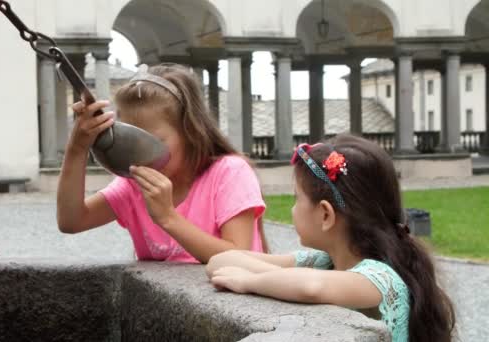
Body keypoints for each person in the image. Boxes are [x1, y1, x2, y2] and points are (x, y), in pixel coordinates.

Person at [206, 134, 455, 342]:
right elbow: (222, 260)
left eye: (297, 199)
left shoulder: (381, 278)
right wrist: (262, 274)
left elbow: (311, 287)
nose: (292, 209)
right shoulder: (325, 262)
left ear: (325, 214)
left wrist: (250, 281)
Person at [56, 63, 267, 263]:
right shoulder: (133, 185)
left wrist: (168, 218)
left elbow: (240, 257)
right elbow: (71, 221)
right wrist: (77, 149)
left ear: (190, 131)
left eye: (154, 142)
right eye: (130, 140)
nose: (142, 154)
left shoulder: (229, 173)